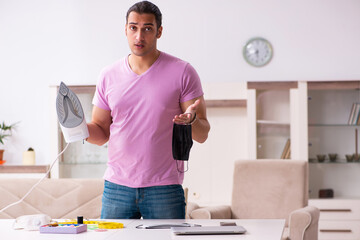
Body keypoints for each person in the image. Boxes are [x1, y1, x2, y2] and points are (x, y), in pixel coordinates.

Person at [86, 1, 210, 219]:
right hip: (117, 188)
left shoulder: (183, 72)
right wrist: (77, 128)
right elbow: (100, 133)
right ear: (125, 29)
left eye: (147, 29)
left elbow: (203, 134)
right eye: (133, 27)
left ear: (159, 31)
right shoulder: (108, 75)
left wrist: (191, 122)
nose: (139, 36)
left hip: (164, 188)